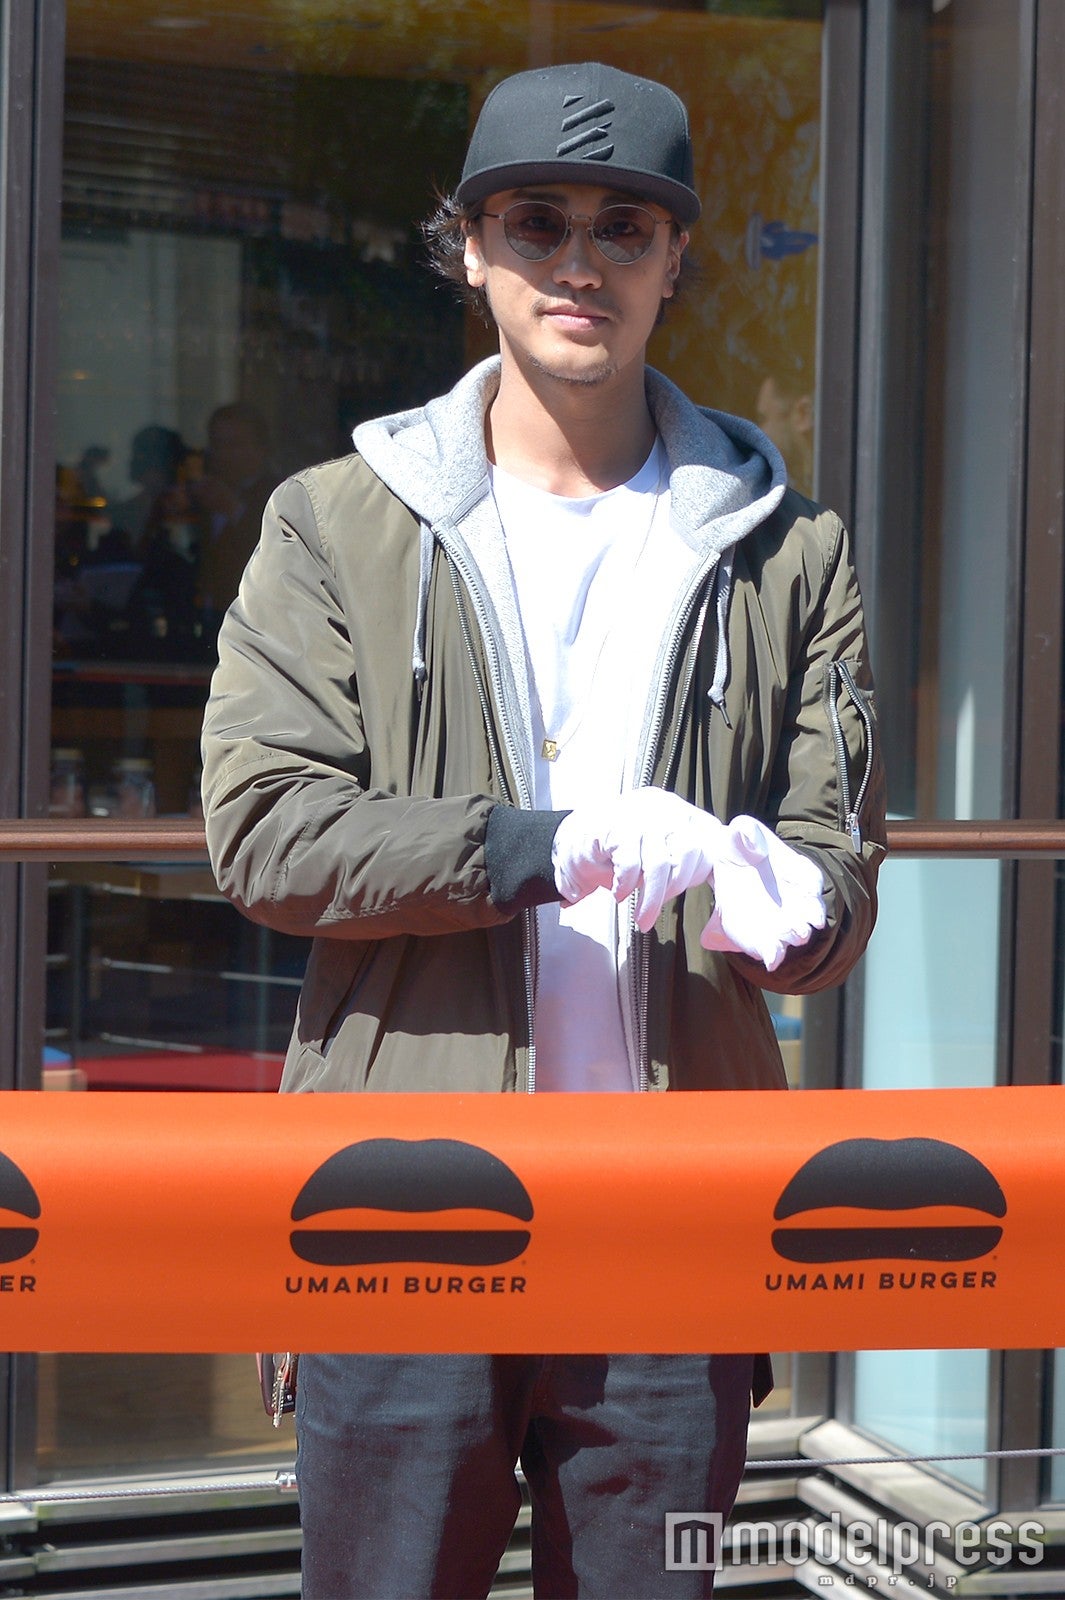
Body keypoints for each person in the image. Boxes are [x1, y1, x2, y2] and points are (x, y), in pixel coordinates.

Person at [201, 60, 885, 1600]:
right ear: (467, 245)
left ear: (674, 258)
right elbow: (264, 834)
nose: (581, 261)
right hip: (404, 1204)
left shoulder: (791, 552)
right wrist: (539, 846)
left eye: (624, 227)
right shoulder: (335, 523)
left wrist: (764, 888)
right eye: (537, 221)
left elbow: (834, 883)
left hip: (671, 1226)